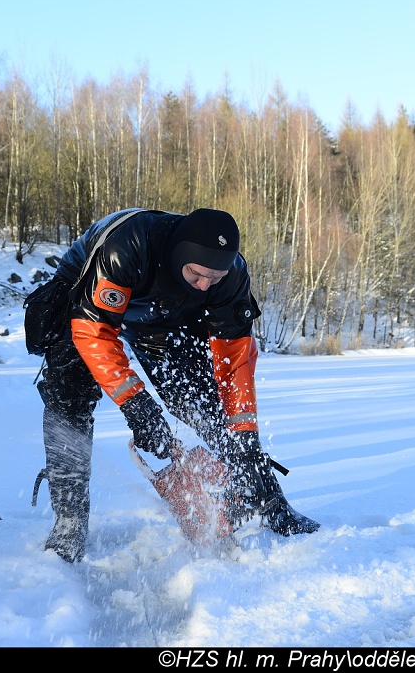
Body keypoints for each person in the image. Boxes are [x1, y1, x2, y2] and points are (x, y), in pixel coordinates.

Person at [33, 207, 319, 563]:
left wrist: (243, 431)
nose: (205, 285)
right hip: (85, 298)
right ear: (181, 255)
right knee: (69, 395)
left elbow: (234, 363)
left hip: (162, 314)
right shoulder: (128, 246)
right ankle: (69, 522)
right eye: (198, 274)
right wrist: (136, 404)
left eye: (213, 278)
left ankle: (268, 499)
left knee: (211, 409)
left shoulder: (229, 277)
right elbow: (96, 332)